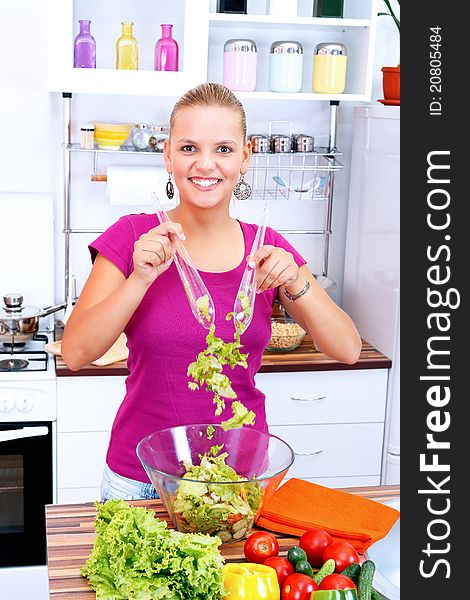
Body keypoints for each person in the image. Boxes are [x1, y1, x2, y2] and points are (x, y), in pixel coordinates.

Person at [61, 82, 362, 501]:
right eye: (188, 148)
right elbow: (76, 353)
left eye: (223, 149)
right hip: (142, 480)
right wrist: (140, 279)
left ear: (245, 157)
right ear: (168, 155)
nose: (205, 164)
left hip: (239, 480)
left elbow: (347, 348)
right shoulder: (132, 237)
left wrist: (295, 281)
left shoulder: (267, 246)